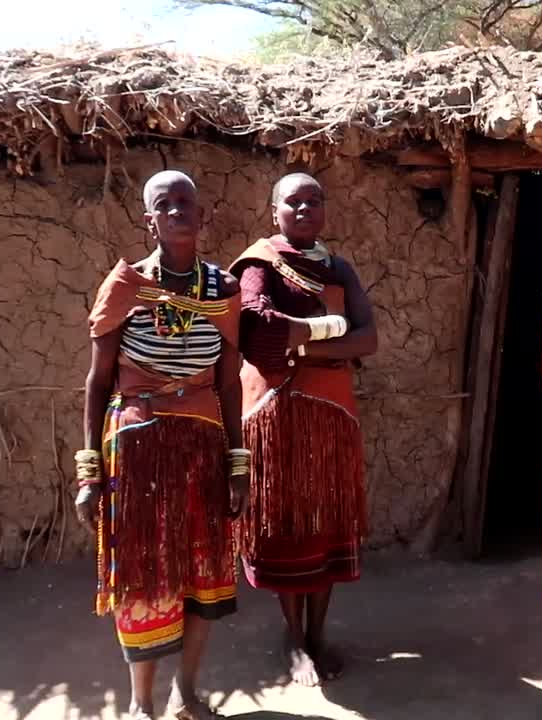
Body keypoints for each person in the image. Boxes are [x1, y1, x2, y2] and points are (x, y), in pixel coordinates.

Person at [76, 170, 248, 720]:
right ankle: (140, 705)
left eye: (185, 203)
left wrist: (237, 465)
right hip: (138, 449)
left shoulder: (222, 290)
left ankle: (187, 695)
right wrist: (88, 474)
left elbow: (226, 383)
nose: (176, 211)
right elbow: (98, 382)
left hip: (202, 447)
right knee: (145, 573)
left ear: (202, 216)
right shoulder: (125, 285)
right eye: (164, 204)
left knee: (204, 573)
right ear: (147, 219)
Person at [231, 172, 377, 686]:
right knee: (286, 529)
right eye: (293, 201)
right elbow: (258, 327)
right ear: (275, 212)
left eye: (314, 200)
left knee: (327, 527)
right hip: (278, 416)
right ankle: (294, 641)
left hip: (331, 416)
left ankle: (318, 634)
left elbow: (368, 339)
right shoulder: (259, 265)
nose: (305, 208)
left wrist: (305, 340)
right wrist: (329, 332)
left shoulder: (339, 269)